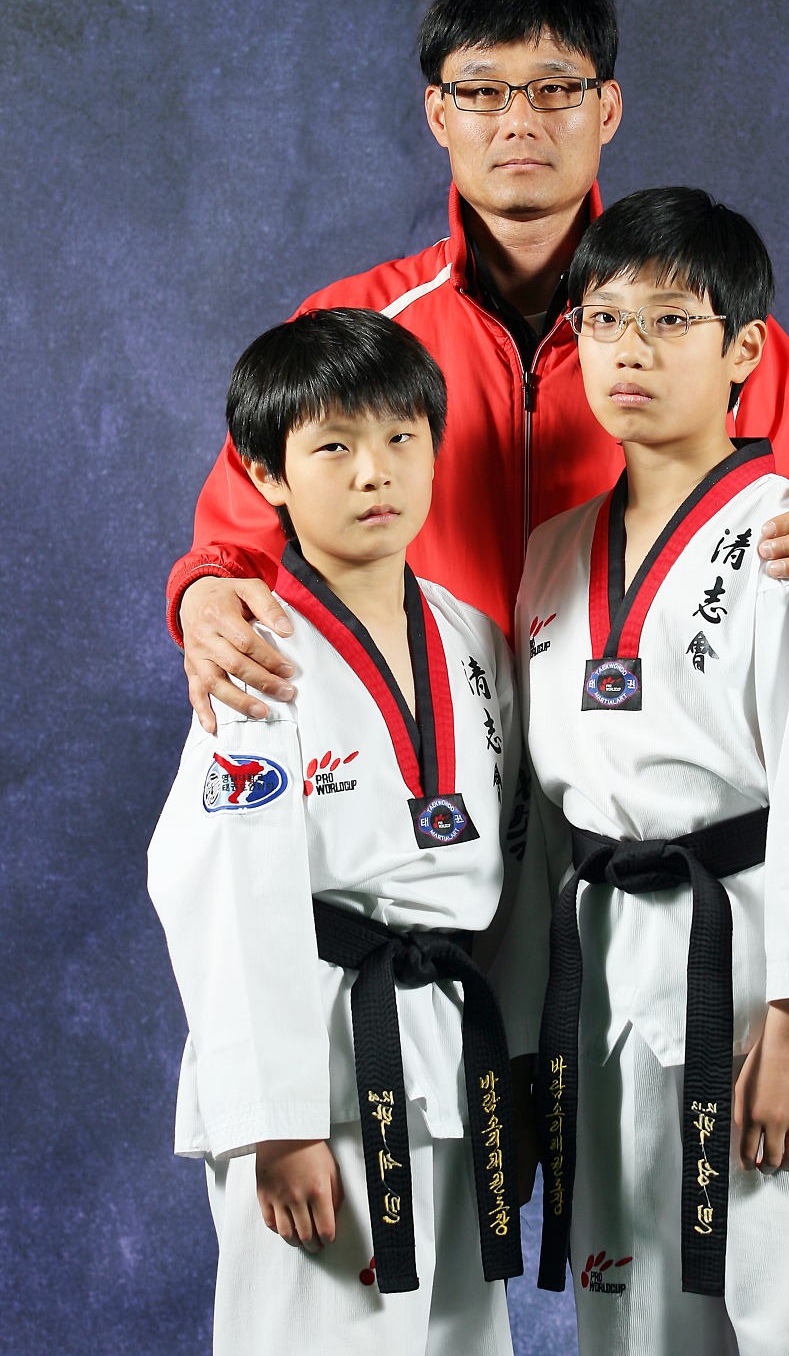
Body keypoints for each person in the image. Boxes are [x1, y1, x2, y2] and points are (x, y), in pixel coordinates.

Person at [166, 0, 789, 733]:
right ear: (438, 115)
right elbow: (237, 535)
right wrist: (206, 593)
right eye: (482, 92)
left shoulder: (696, 322)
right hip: (428, 744)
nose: (519, 122)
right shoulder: (357, 326)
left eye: (556, 89)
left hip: (636, 755)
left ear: (608, 109)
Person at [517, 188, 789, 1354]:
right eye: (602, 320)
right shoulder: (549, 554)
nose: (629, 350)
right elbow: (545, 824)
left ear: (744, 350)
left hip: (751, 978)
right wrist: (536, 1032)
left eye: (670, 321)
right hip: (603, 986)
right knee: (631, 1313)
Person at [149, 309, 537, 1356]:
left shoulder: (472, 637)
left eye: (402, 437)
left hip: (450, 1060)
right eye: (333, 447)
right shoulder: (251, 652)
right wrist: (276, 1123)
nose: (376, 472)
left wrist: (514, 1067)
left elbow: (514, 855)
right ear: (264, 474)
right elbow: (223, 893)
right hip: (319, 1070)